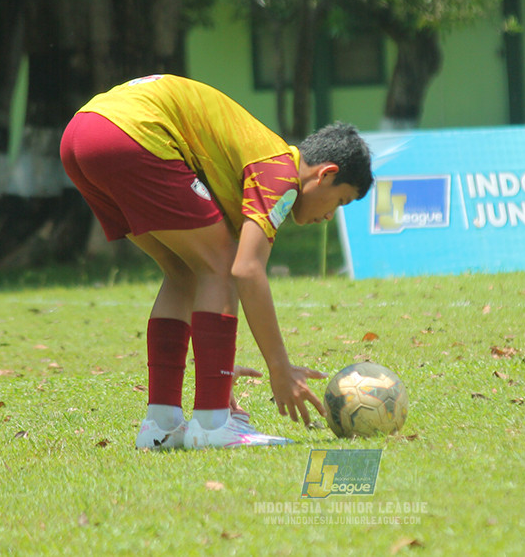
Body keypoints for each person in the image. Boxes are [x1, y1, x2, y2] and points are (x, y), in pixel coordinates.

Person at [59, 74, 373, 450]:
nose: (330, 215)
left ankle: (161, 424)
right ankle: (211, 424)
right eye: (340, 201)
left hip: (81, 133)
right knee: (221, 263)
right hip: (130, 132)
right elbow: (245, 269)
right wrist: (280, 369)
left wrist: (216, 371)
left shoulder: (254, 162)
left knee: (185, 271)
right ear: (326, 174)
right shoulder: (279, 172)